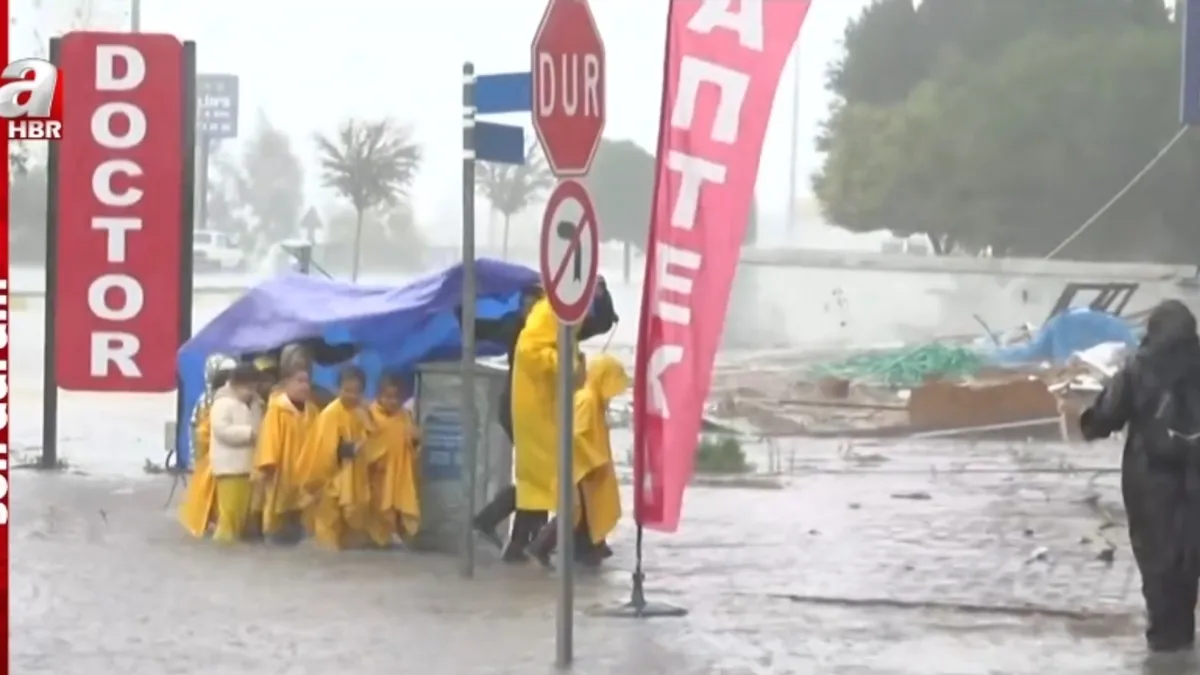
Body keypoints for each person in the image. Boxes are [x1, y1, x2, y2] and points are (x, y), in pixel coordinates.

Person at [1080, 299, 1200, 654]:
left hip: (1150, 484)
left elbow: (1103, 418)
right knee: (1190, 555)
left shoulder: (1138, 368)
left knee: (1158, 561)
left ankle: (1167, 641)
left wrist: (1086, 421)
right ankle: (1184, 633)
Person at [472, 279, 619, 561]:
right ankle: (530, 541)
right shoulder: (522, 329)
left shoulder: (560, 325)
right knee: (545, 480)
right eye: (528, 302)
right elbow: (480, 331)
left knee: (539, 482)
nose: (532, 307)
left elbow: (598, 322)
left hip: (544, 410)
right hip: (524, 410)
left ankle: (519, 545)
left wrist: (601, 295)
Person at [527, 354, 627, 567]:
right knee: (573, 511)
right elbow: (575, 435)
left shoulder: (594, 400)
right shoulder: (587, 400)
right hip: (577, 467)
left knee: (588, 510)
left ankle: (589, 549)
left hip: (584, 468)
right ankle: (540, 547)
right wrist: (592, 459)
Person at [301, 365, 377, 549]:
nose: (351, 395)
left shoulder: (361, 413)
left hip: (353, 478)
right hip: (331, 480)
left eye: (356, 392)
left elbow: (371, 437)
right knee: (329, 523)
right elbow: (325, 449)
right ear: (337, 389)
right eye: (347, 390)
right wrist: (349, 449)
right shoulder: (330, 413)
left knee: (351, 525)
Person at [252, 365, 320, 543]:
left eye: (307, 382)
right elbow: (269, 439)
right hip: (282, 470)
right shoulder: (277, 411)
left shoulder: (312, 411)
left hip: (305, 473)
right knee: (278, 510)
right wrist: (268, 465)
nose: (304, 386)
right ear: (285, 384)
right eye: (299, 381)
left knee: (304, 512)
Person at [361, 373, 422, 546]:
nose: (392, 402)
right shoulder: (370, 414)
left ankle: (397, 536)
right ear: (379, 396)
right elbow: (367, 441)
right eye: (388, 397)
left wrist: (415, 440)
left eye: (396, 398)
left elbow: (413, 441)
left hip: (400, 472)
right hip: (379, 472)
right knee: (379, 507)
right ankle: (378, 540)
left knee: (399, 507)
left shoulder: (405, 416)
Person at [179, 355, 236, 538]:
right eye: (224, 375)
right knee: (206, 504)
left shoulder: (238, 401)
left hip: (231, 463)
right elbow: (196, 433)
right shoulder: (205, 402)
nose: (229, 380)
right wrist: (198, 460)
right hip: (208, 463)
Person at [208, 363, 263, 543]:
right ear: (234, 384)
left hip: (248, 467)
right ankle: (223, 546)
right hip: (229, 469)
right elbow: (221, 430)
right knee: (230, 514)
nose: (251, 392)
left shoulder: (254, 404)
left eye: (254, 387)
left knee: (242, 515)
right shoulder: (222, 403)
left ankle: (234, 547)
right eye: (248, 387)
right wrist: (249, 433)